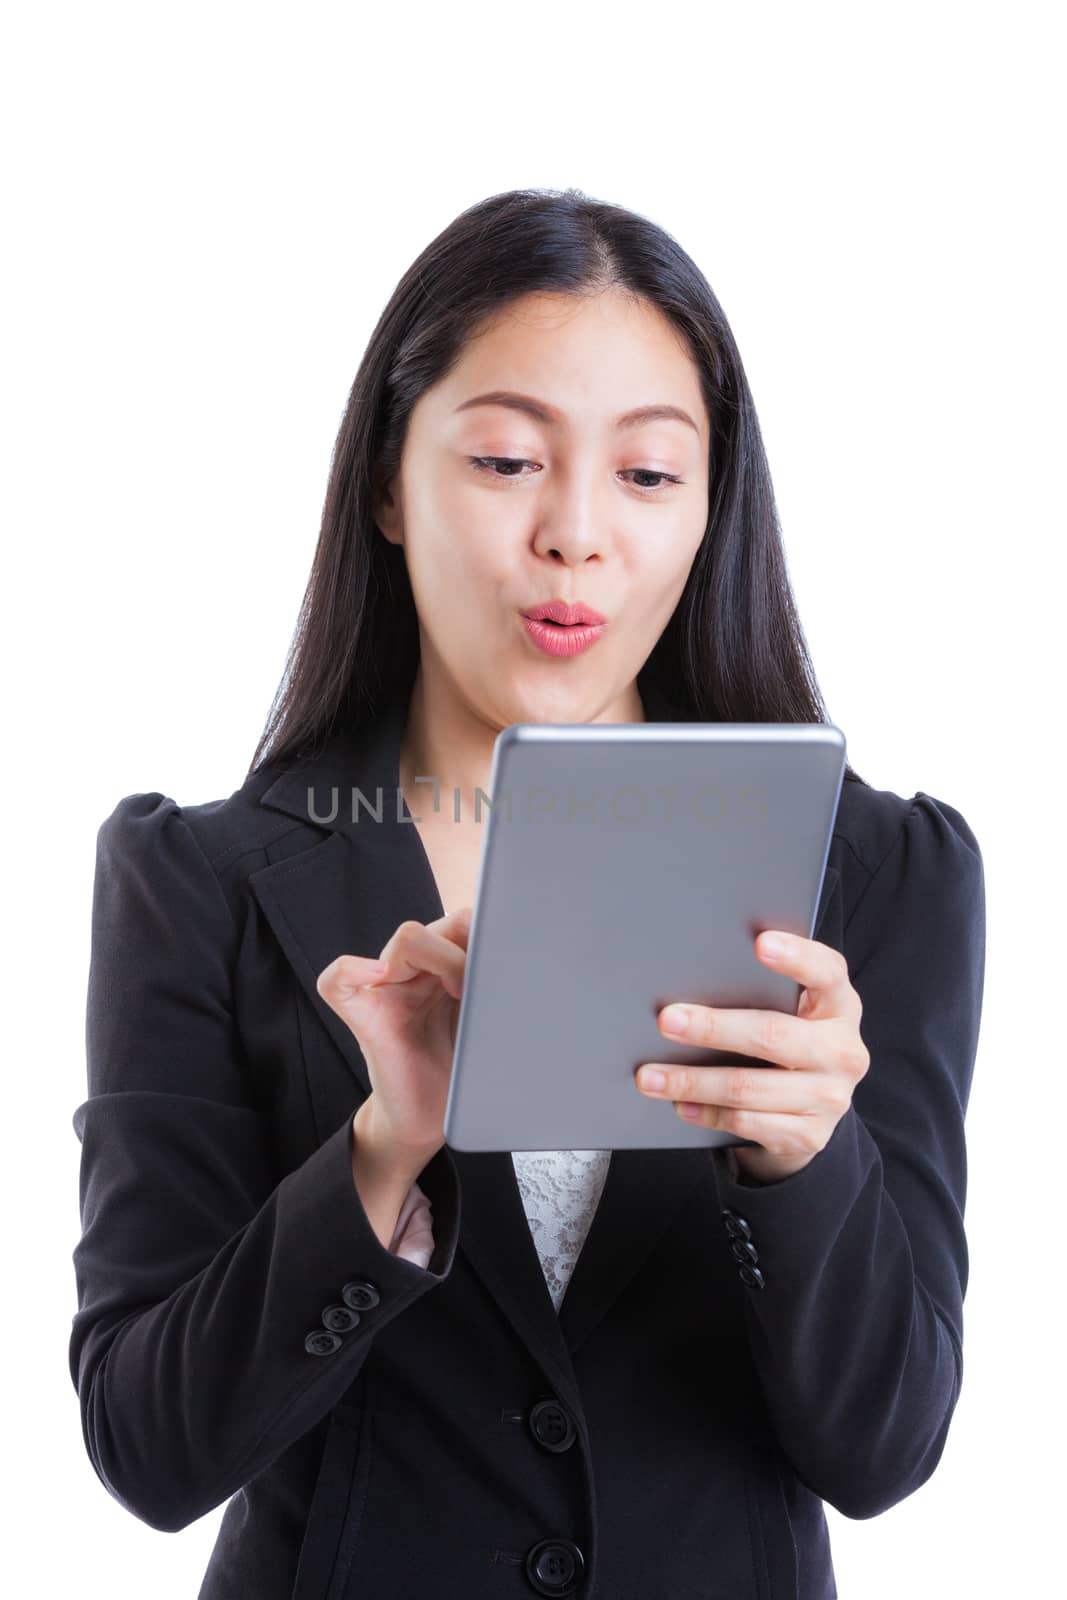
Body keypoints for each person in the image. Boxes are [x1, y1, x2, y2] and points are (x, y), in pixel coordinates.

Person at [68, 186, 986, 1600]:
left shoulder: (875, 876)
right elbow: (148, 1447)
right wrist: (382, 1156)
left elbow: (884, 1450)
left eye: (648, 473)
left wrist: (806, 1164)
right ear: (387, 480)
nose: (575, 533)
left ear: (708, 508)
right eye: (505, 459)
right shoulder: (198, 879)